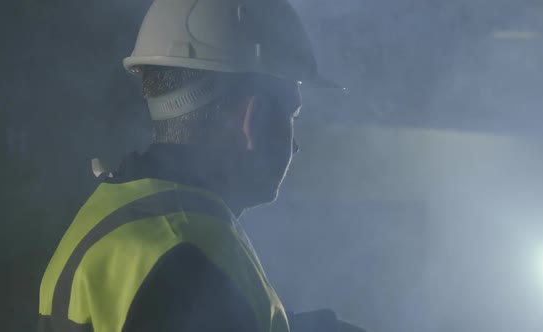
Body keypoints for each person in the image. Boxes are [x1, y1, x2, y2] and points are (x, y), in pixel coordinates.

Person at [38, 0, 366, 331]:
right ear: (253, 119)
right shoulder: (186, 255)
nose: (294, 147)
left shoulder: (125, 212)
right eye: (291, 118)